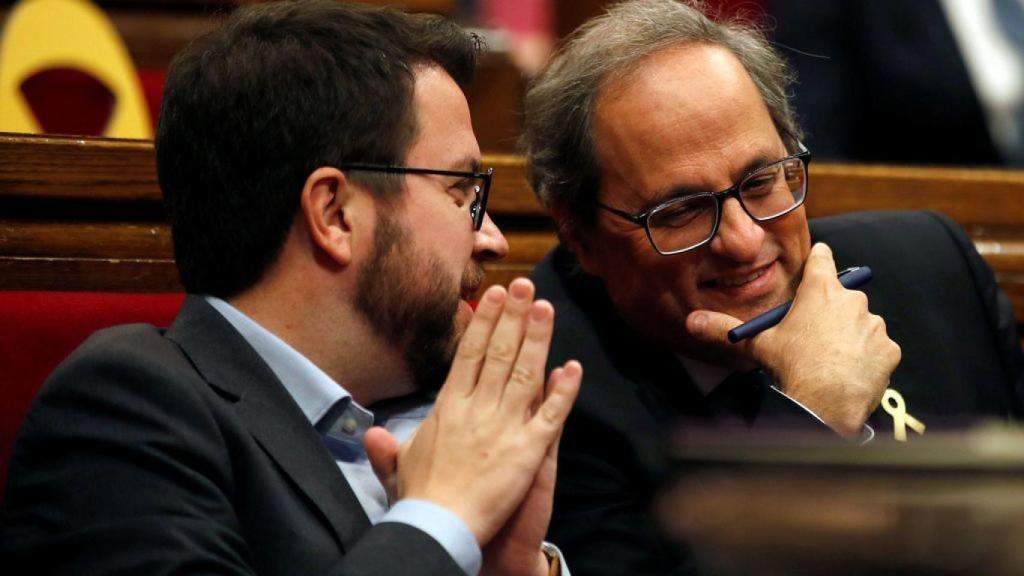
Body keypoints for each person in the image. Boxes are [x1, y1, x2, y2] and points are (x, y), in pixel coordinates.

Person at [1, 2, 581, 575]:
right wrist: (443, 518)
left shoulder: (455, 420)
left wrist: (517, 570)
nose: (494, 241)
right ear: (334, 215)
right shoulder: (125, 409)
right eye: (462, 192)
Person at [520, 0, 1024, 574]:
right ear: (580, 235)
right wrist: (812, 418)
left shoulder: (932, 269)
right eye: (681, 210)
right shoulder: (546, 401)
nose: (742, 240)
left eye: (761, 181)